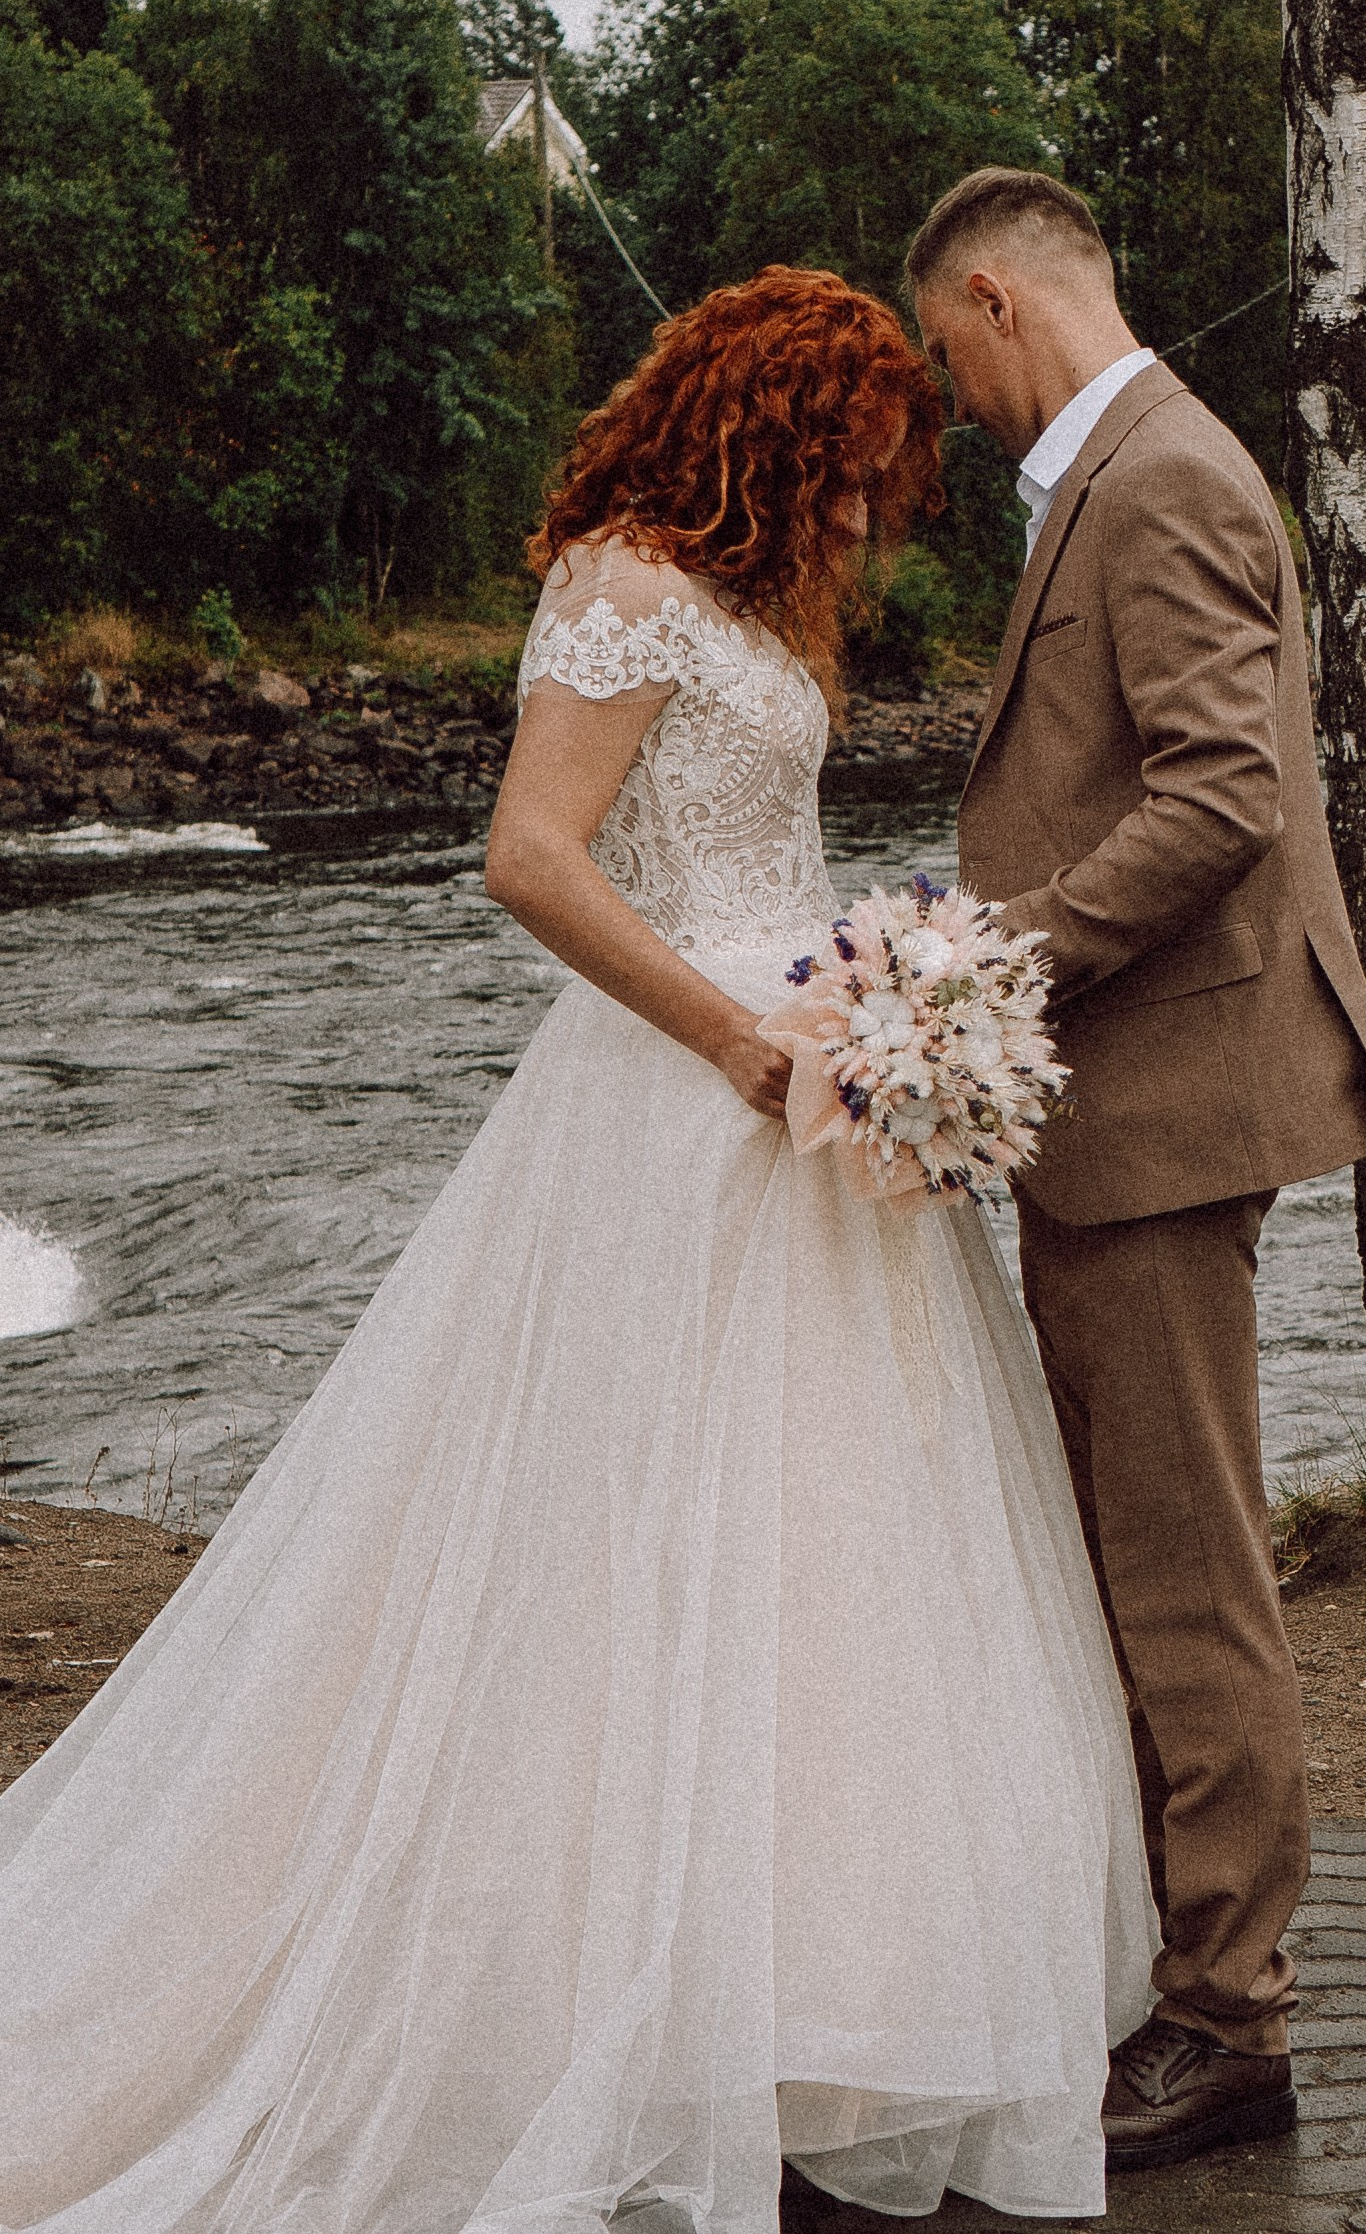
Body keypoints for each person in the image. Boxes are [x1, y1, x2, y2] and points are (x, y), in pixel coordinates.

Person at [0, 266, 1154, 2234]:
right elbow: (528, 855)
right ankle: (603, 1999)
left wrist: (887, 1004)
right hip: (681, 1100)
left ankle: (810, 2005)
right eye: (855, 457)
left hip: (819, 1098)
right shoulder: (626, 584)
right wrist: (731, 1036)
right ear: (769, 423)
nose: (871, 500)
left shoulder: (766, 602)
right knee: (639, 1545)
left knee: (834, 1556)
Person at [906, 170, 1366, 2177]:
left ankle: (1229, 2013)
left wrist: (990, 964)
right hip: (1122, 1102)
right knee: (1138, 1559)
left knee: (1190, 1576)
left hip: (1168, 1102)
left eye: (943, 355)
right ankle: (1174, 1968)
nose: (950, 402)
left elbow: (1222, 796)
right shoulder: (1120, 476)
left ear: (996, 298)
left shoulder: (1165, 477)